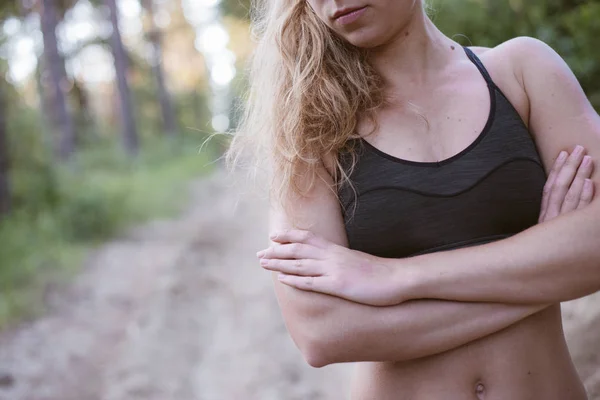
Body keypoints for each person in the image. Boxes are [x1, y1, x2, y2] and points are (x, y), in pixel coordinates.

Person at [226, 0, 600, 398]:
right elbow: (321, 332)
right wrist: (542, 271)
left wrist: (395, 278)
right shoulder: (312, 125)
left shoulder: (523, 71)